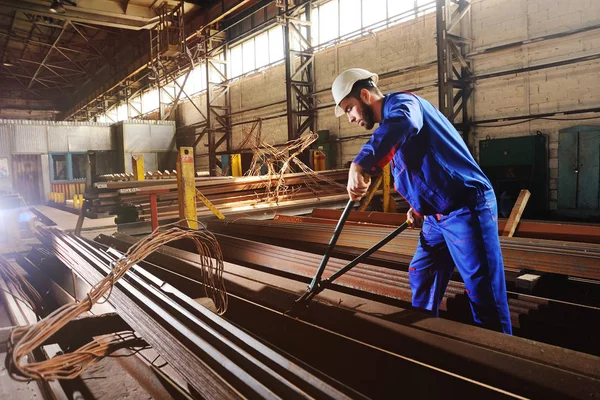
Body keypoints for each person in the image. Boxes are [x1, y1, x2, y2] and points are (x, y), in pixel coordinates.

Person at [332, 68, 512, 334]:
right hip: (435, 217)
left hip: (466, 208)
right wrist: (419, 207)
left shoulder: (405, 105)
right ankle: (426, 337)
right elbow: (420, 171)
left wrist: (360, 164)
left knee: (483, 293)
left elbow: (404, 124)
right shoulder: (392, 127)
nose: (350, 118)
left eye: (349, 108)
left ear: (365, 94)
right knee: (422, 274)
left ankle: (502, 359)